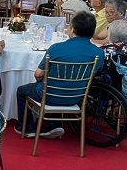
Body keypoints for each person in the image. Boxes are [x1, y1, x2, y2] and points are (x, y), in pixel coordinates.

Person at [13, 11, 105, 139]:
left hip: (50, 95)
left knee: (22, 90)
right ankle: (53, 124)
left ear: (72, 29)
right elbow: (95, 73)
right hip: (77, 96)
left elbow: (38, 75)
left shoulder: (56, 48)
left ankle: (26, 127)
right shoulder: (99, 53)